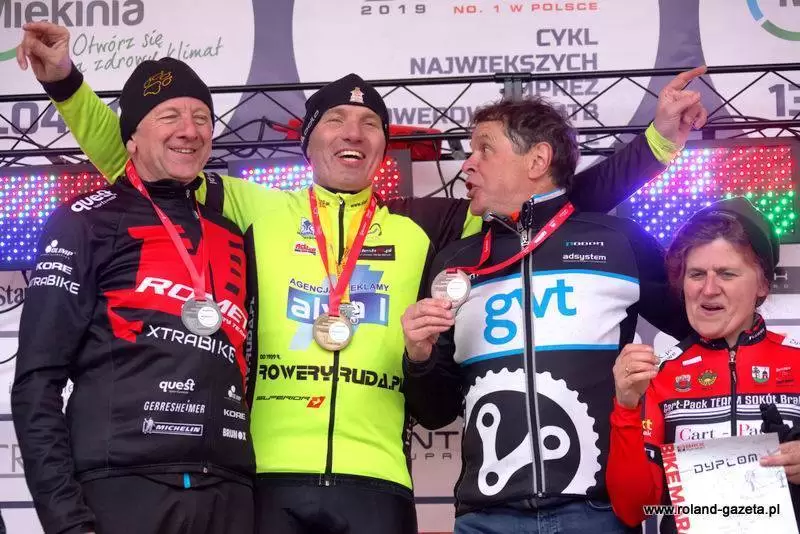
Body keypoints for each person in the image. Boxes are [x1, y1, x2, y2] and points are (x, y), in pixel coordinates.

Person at [16, 21, 707, 533]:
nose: (354, 130)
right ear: (307, 139)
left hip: (378, 478)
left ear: (382, 146)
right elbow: (141, 160)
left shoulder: (426, 225)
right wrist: (66, 85)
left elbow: (552, 200)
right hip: (267, 476)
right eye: (337, 119)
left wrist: (657, 144)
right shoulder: (253, 209)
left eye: (370, 121)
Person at [400, 97, 691, 533]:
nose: (467, 165)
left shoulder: (620, 242)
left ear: (537, 160)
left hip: (597, 513)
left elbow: (706, 334)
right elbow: (435, 413)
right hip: (485, 519)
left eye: (484, 148)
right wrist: (419, 357)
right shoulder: (455, 264)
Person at [10, 59, 255, 534]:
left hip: (229, 494)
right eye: (169, 116)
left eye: (201, 117)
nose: (189, 130)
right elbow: (37, 381)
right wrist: (66, 521)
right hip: (123, 487)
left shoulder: (231, 232)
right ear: (131, 139)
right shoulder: (85, 221)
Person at [607, 197, 800, 532]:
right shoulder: (658, 375)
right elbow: (633, 509)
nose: (708, 289)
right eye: (696, 274)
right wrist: (626, 408)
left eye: (726, 273)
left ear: (763, 284)